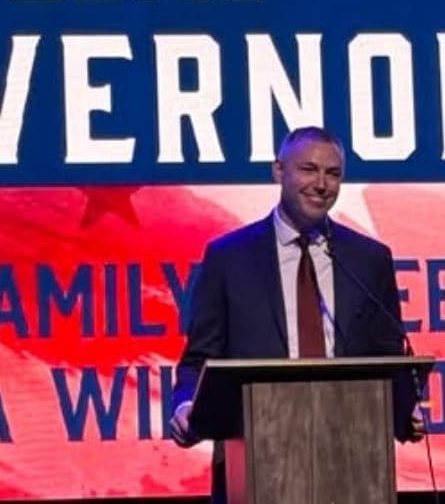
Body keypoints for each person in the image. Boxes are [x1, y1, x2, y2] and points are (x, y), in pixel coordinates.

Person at [168, 125, 424, 501]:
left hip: (353, 461)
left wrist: (406, 411)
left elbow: (389, 358)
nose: (321, 184)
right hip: (257, 461)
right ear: (278, 172)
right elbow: (199, 360)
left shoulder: (369, 260)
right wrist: (188, 405)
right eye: (309, 169)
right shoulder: (229, 258)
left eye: (333, 174)